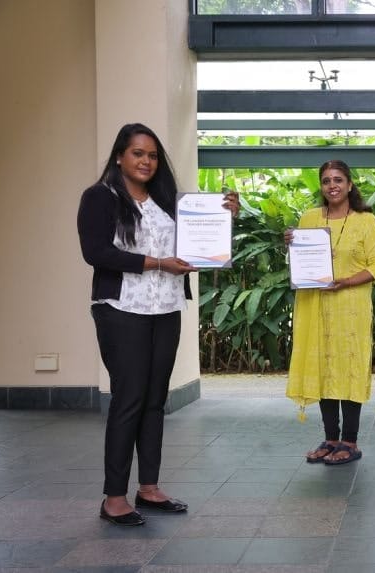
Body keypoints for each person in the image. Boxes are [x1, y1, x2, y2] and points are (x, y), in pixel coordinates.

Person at [77, 123, 239, 526]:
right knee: (129, 398)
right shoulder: (100, 197)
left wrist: (225, 215)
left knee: (154, 399)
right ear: (119, 156)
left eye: (151, 155)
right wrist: (156, 263)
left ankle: (148, 488)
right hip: (121, 308)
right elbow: (95, 252)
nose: (146, 161)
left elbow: (195, 246)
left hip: (165, 308)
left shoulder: (168, 201)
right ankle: (114, 497)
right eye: (137, 153)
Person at [285, 160, 375, 465]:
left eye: (339, 180)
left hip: (351, 307)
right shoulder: (309, 218)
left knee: (349, 369)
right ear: (321, 186)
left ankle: (350, 442)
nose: (333, 185)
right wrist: (291, 243)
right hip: (315, 305)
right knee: (324, 366)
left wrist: (345, 282)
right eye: (327, 181)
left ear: (349, 185)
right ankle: (331, 439)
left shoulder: (366, 221)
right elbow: (301, 261)